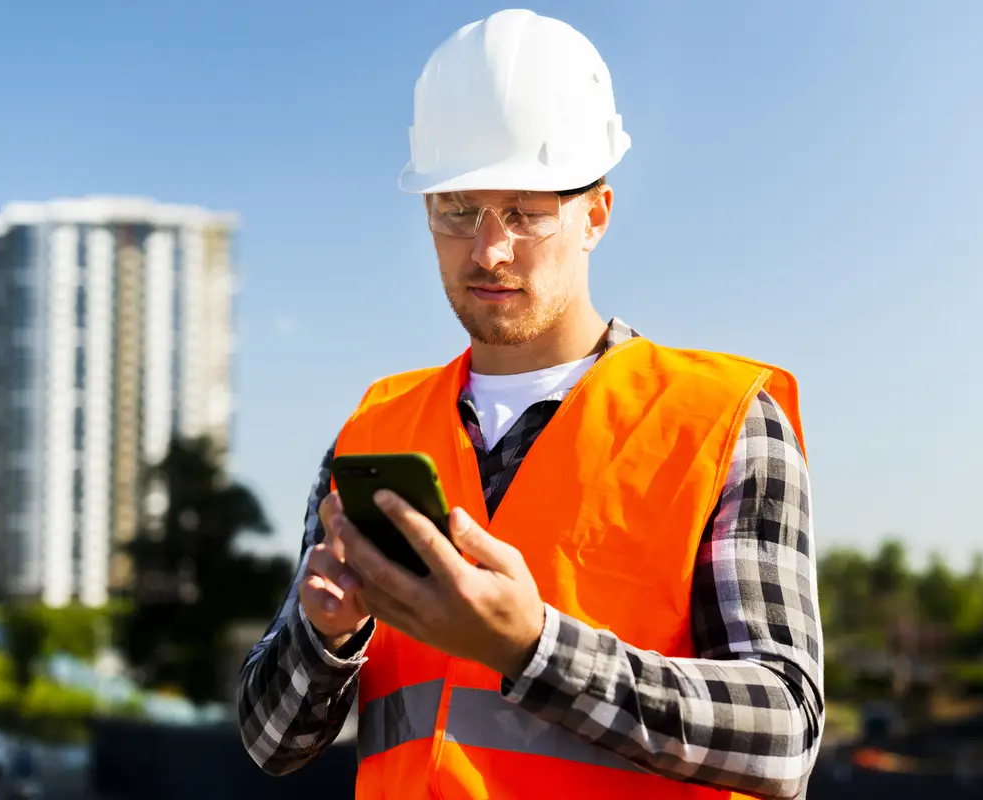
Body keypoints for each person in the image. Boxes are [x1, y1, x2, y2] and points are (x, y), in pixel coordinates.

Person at [238, 9, 824, 799]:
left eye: (526, 212)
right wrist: (325, 635)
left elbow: (784, 735)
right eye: (459, 210)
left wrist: (535, 648)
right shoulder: (376, 431)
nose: (489, 250)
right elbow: (271, 743)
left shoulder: (721, 422)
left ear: (595, 216)